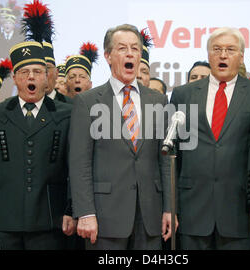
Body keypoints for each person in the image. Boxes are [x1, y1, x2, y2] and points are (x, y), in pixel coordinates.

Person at [0, 2, 74, 250]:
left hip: (50, 220)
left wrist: (72, 209)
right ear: (15, 78)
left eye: (37, 71)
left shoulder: (66, 114)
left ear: (46, 77)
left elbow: (74, 167)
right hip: (5, 221)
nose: (31, 77)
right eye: (25, 71)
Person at [70, 24, 175, 250]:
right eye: (122, 48)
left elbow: (165, 160)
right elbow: (80, 163)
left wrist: (169, 208)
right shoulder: (87, 102)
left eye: (135, 49)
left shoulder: (158, 101)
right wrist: (85, 212)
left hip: (150, 215)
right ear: (108, 56)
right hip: (105, 216)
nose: (130, 54)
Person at [171, 27, 250, 250]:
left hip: (239, 212)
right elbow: (174, 154)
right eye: (217, 49)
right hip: (192, 210)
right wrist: (171, 207)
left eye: (230, 50)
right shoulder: (183, 94)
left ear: (241, 56)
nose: (223, 55)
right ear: (209, 54)